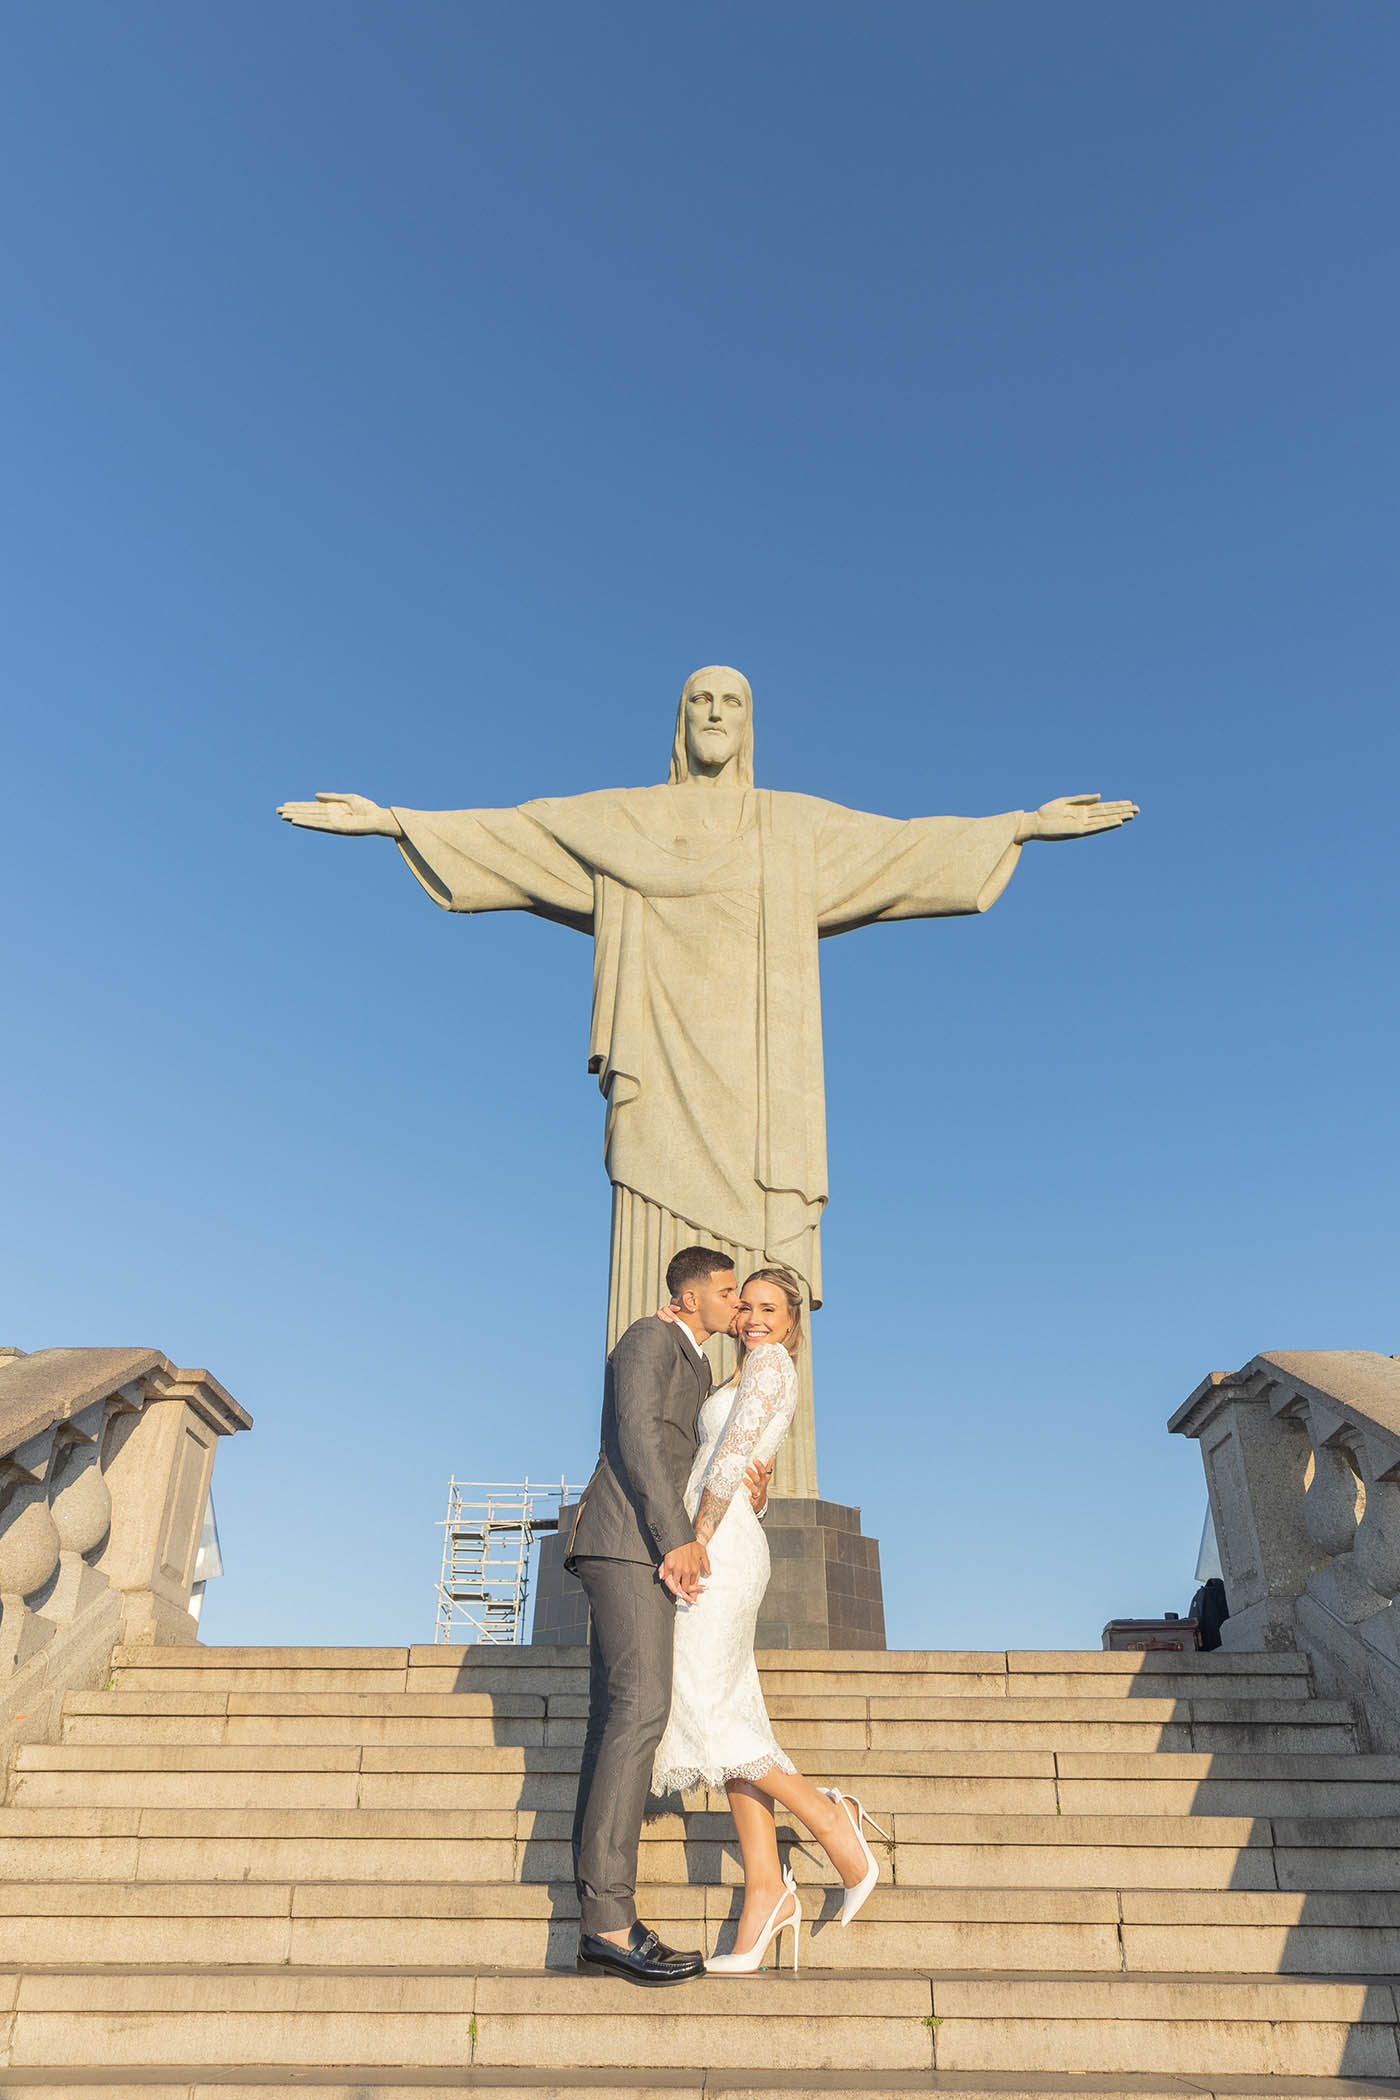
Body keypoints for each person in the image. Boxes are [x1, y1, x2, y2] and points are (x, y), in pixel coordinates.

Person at [652, 1266, 889, 1974]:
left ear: (791, 1321)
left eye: (769, 1308)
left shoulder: (772, 1365)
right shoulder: (744, 1372)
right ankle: (766, 1894)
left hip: (714, 1545)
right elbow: (744, 1458)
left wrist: (699, 1534)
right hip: (720, 1531)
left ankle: (827, 1818)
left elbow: (728, 1459)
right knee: (728, 1711)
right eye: (745, 1305)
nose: (754, 1317)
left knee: (702, 1704)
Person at [564, 1245, 773, 1986]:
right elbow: (637, 1440)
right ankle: (610, 1923)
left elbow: (691, 1455)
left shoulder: (695, 1361)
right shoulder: (650, 1338)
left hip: (642, 1545)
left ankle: (603, 1921)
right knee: (639, 1713)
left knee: (626, 1717)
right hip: (626, 1543)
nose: (736, 1305)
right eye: (725, 1292)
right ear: (687, 1298)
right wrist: (677, 1537)